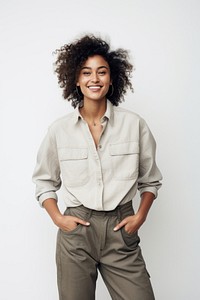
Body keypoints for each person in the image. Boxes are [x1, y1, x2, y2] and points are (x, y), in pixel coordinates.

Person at [32, 34, 162, 300]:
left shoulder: (134, 125)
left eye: (102, 72)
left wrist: (141, 216)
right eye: (86, 72)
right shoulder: (59, 130)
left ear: (112, 79)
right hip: (77, 234)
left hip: (120, 231)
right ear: (76, 80)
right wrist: (58, 218)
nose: (95, 79)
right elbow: (44, 181)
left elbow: (150, 181)